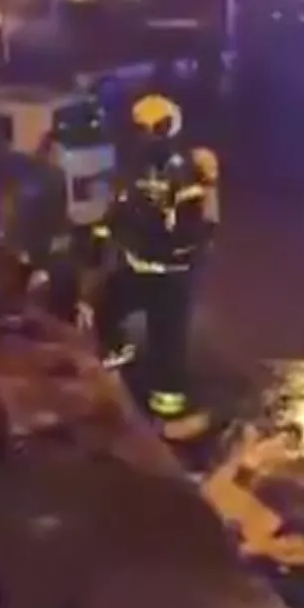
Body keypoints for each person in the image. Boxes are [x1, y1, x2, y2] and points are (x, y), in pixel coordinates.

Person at [92, 93, 216, 441]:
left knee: (164, 344)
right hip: (151, 270)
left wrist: (132, 237)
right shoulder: (152, 167)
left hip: (163, 274)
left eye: (145, 128)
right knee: (112, 311)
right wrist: (104, 235)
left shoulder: (180, 170)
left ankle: (167, 412)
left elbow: (190, 226)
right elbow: (122, 209)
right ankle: (133, 377)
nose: (143, 135)